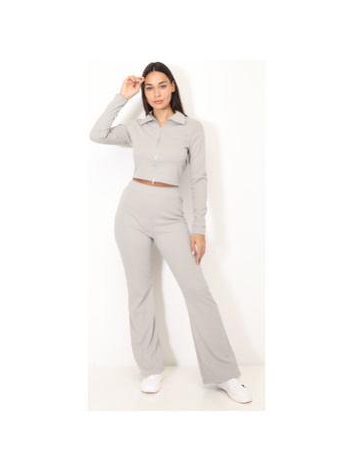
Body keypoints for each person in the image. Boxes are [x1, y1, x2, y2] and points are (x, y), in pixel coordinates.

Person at [89, 62, 252, 404]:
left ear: (173, 87)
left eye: (162, 85)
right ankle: (150, 369)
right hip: (131, 212)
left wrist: (199, 229)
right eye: (149, 88)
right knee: (139, 292)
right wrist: (122, 96)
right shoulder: (137, 127)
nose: (156, 93)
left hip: (170, 216)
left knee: (198, 292)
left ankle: (225, 374)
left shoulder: (191, 129)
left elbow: (199, 179)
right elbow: (98, 134)